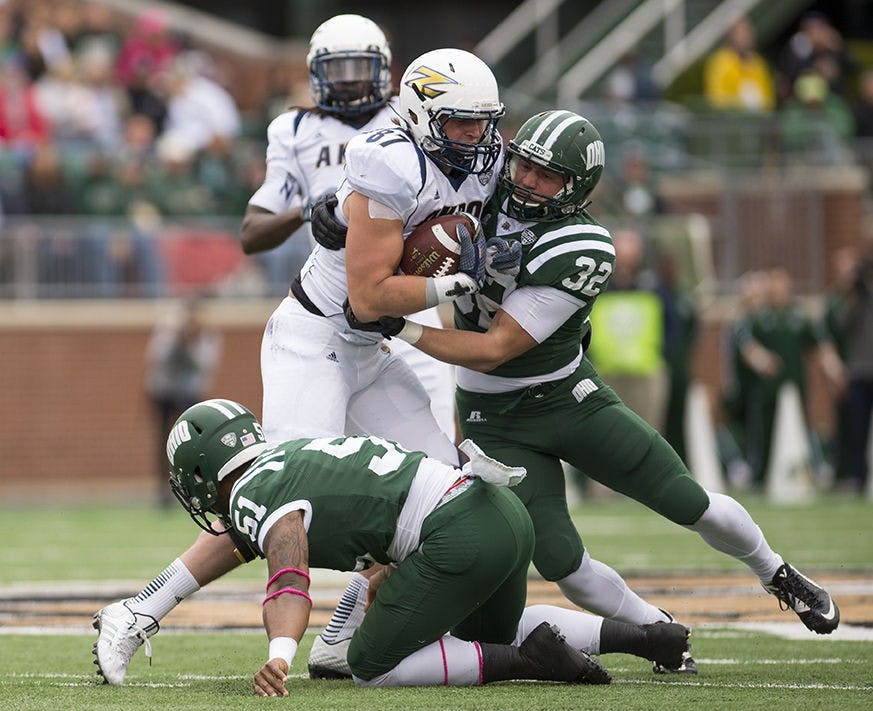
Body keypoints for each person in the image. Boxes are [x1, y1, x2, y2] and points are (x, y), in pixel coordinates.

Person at [88, 37, 503, 686]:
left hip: (370, 348)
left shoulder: (479, 156)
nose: (475, 137)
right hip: (315, 339)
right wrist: (454, 283)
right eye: (460, 122)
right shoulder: (383, 157)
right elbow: (367, 298)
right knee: (278, 494)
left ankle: (342, 632)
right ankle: (138, 609)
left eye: (483, 122)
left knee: (443, 495)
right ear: (422, 114)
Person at [351, 110, 841, 642]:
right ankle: (656, 627)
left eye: (548, 176)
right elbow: (394, 201)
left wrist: (402, 328)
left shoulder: (582, 245)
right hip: (493, 418)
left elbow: (496, 349)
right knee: (561, 563)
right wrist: (337, 215)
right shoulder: (480, 189)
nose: (528, 182)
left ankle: (778, 573)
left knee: (685, 499)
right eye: (524, 167)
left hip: (567, 398)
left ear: (576, 187)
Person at [95, 398, 691, 690]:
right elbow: (253, 538)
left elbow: (287, 573)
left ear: (203, 471)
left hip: (459, 531)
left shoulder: (261, 496)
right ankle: (648, 638)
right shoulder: (286, 458)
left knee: (370, 665)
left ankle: (529, 663)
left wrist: (281, 653)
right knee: (481, 633)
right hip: (498, 510)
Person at [144, 296, 221, 506]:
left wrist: (190, 344)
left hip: (190, 393)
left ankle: (196, 490)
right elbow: (157, 358)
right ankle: (163, 491)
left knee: (196, 445)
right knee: (163, 440)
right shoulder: (167, 330)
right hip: (164, 391)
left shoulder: (206, 333)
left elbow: (204, 364)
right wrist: (176, 339)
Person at [703, 17, 775, 112]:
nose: (745, 38)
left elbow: (769, 97)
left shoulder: (758, 63)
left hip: (757, 121)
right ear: (731, 36)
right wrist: (741, 103)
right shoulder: (720, 62)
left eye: (747, 33)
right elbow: (716, 98)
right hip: (730, 121)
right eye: (740, 33)